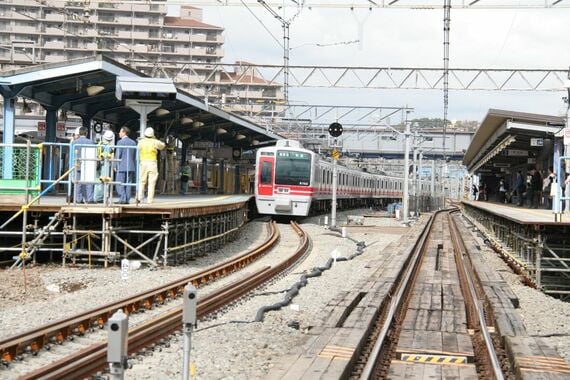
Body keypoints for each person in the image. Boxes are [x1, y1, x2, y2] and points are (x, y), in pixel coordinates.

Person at [137, 127, 165, 204]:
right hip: (152, 163)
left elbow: (138, 148)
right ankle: (150, 200)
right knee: (151, 182)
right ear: (153, 134)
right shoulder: (155, 141)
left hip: (143, 162)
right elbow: (162, 146)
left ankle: (139, 197)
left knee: (142, 181)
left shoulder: (141, 142)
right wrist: (155, 139)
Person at [73, 126, 96, 204]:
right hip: (88, 164)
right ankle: (90, 199)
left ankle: (78, 199)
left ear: (79, 133)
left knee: (78, 182)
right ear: (86, 133)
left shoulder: (74, 142)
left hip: (77, 164)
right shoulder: (91, 142)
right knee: (89, 182)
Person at [115, 126, 137, 204]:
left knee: (119, 183)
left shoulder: (120, 142)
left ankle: (122, 198)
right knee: (128, 184)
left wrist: (115, 166)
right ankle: (127, 199)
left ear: (124, 132)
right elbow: (135, 156)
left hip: (121, 166)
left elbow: (118, 155)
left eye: (120, 132)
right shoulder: (133, 142)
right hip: (131, 166)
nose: (119, 133)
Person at [94, 130, 115, 203]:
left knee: (97, 180)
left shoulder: (99, 143)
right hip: (104, 164)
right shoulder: (108, 146)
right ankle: (101, 197)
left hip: (97, 164)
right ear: (111, 139)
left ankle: (96, 197)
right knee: (104, 180)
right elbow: (110, 156)